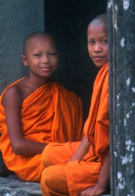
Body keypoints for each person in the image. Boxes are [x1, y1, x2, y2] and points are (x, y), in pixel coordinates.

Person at [0, 32, 83, 182]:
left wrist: (67, 151)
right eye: (37, 55)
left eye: (52, 54)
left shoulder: (66, 97)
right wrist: (62, 150)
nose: (46, 60)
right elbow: (18, 146)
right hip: (31, 162)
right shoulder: (15, 93)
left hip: (63, 156)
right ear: (25, 60)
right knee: (81, 165)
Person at [41, 15, 109, 196]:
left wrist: (100, 186)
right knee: (48, 154)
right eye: (91, 42)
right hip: (94, 153)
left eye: (104, 41)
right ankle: (78, 172)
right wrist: (73, 165)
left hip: (108, 165)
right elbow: (91, 131)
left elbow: (115, 143)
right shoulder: (102, 74)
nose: (97, 49)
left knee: (49, 178)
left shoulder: (115, 78)